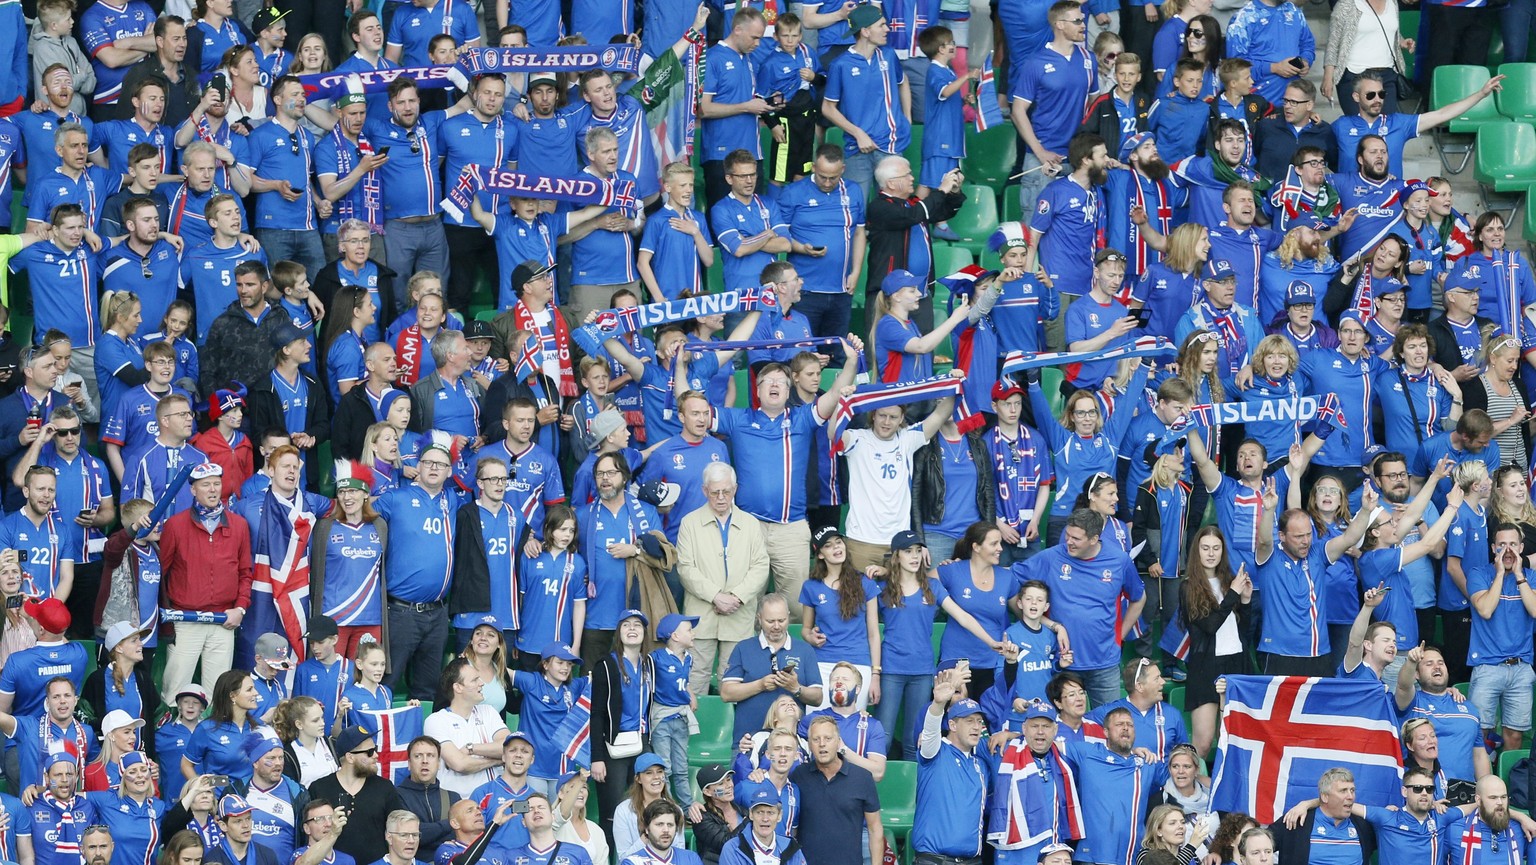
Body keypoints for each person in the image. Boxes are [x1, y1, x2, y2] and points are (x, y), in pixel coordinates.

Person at [676, 463, 772, 695]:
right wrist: (716, 596)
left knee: (734, 679)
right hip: (702, 615)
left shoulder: (750, 523)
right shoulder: (689, 522)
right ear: (704, 490)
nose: (721, 497)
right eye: (715, 492)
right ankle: (694, 729)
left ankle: (733, 732)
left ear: (735, 489)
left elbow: (761, 565)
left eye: (726, 491)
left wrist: (737, 597)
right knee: (695, 677)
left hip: (739, 615)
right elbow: (685, 568)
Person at [1468, 524, 1536, 751]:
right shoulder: (1479, 574)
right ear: (1493, 548)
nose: (1508, 551)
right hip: (1487, 665)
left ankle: (1509, 785)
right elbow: (1485, 609)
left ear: (1522, 548)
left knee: (1515, 736)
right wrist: (1499, 574)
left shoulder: (1531, 577)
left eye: (1513, 545)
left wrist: (1518, 575)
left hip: (1521, 667)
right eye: (1502, 545)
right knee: (1481, 733)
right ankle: (1483, 784)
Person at [308, 725, 405, 865]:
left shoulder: (385, 787)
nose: (376, 755)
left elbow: (399, 830)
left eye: (375, 749)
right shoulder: (319, 788)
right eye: (370, 752)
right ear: (350, 757)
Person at [424, 658, 511, 798]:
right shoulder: (436, 720)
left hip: (494, 799)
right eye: (475, 680)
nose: (481, 683)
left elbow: (509, 747)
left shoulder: (488, 711)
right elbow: (459, 764)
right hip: (459, 803)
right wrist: (497, 760)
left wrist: (471, 748)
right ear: (458, 687)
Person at [1267, 769, 1376, 865]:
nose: (1351, 796)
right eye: (1343, 791)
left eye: (1352, 790)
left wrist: (1389, 814)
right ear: (1325, 797)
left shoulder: (1363, 826)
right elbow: (1257, 844)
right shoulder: (1297, 820)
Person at [205, 795, 281, 865]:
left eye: (248, 818)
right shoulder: (212, 860)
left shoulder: (267, 855)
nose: (246, 825)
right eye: (238, 821)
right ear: (223, 826)